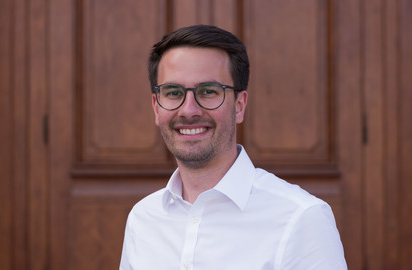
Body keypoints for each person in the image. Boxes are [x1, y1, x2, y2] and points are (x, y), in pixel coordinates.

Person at [120, 24, 347, 270]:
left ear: (239, 105)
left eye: (208, 91)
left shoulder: (301, 218)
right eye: (173, 92)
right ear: (156, 106)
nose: (188, 110)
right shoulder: (142, 219)